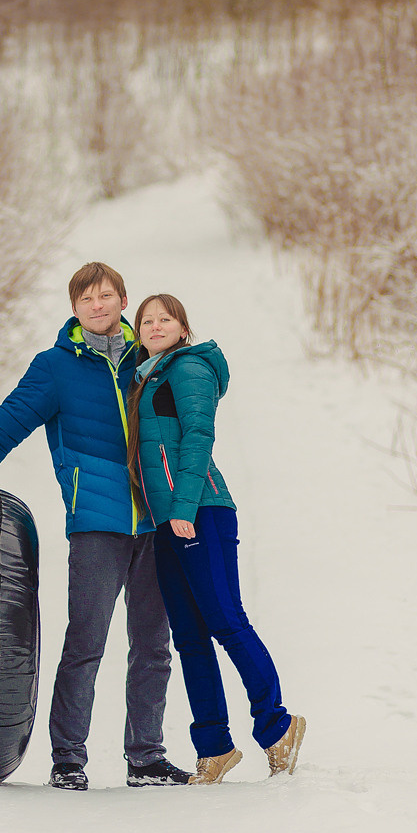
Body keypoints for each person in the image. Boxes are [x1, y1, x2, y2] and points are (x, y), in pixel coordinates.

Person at [0, 263, 191, 791]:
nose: (97, 306)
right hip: (96, 524)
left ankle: (146, 757)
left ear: (124, 301)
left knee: (153, 645)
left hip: (157, 524)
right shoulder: (55, 367)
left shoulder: (151, 360)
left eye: (106, 296)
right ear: (74, 308)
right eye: (86, 298)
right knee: (86, 642)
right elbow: (5, 424)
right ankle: (68, 759)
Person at [127, 293, 306, 785]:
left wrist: (184, 507)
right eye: (146, 320)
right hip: (166, 522)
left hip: (201, 511)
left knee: (227, 621)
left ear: (184, 328)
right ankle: (214, 748)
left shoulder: (188, 370)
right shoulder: (146, 377)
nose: (155, 325)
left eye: (166, 318)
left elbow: (199, 437)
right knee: (187, 637)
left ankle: (278, 725)